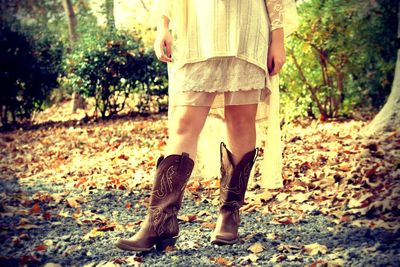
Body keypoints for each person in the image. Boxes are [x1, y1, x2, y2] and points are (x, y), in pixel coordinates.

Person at [115, 0, 298, 252]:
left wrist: (277, 38)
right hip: (197, 28)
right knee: (184, 122)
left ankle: (228, 214)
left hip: (247, 27)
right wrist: (163, 25)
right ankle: (160, 221)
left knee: (240, 121)